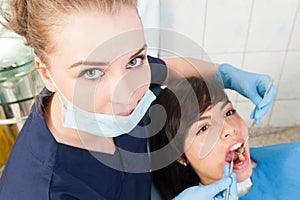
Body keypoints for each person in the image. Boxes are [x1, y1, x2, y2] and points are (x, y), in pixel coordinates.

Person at [0, 0, 276, 199]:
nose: (129, 94)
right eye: (92, 72)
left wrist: (225, 74)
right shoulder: (42, 188)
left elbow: (166, 69)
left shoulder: (128, 73)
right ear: (46, 74)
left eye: (134, 59)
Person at [150, 76, 300, 200]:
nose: (229, 128)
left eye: (228, 112)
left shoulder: (294, 156)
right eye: (204, 128)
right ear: (181, 157)